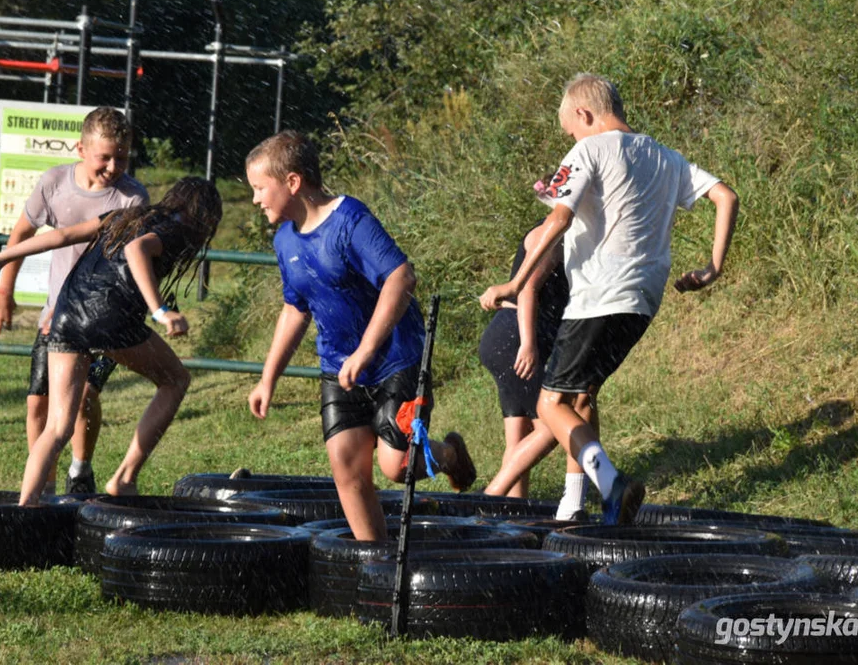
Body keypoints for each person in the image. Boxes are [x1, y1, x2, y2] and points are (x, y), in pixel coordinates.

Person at [480, 73, 739, 525]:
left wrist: (516, 283)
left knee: (550, 405)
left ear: (583, 114)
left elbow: (558, 219)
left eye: (571, 130)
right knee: (582, 397)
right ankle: (575, 504)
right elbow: (725, 196)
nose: (572, 139)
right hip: (643, 299)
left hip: (599, 295)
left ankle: (612, 484)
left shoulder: (587, 149)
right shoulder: (665, 156)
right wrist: (712, 267)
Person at [245, 130, 477, 542]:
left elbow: (401, 277)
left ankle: (448, 454)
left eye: (261, 188)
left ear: (293, 182)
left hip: (394, 359)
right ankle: (376, 564)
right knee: (348, 471)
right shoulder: (284, 240)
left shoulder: (351, 220)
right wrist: (268, 378)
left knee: (397, 466)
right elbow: (294, 309)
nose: (256, 199)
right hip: (339, 367)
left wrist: (367, 350)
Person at [0, 176, 222, 505]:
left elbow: (60, 236)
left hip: (65, 315)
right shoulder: (177, 228)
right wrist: (160, 310)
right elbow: (138, 249)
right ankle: (124, 478)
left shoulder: (124, 217)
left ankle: (26, 509)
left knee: (57, 427)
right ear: (205, 216)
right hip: (110, 319)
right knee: (175, 379)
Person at [0, 107, 149, 495]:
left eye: (121, 157)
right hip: (55, 312)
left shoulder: (132, 198)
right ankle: (45, 483)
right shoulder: (54, 182)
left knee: (83, 396)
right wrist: (4, 291)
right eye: (104, 157)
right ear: (81, 149)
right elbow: (22, 234)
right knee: (37, 403)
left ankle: (80, 470)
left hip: (106, 313)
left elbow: (116, 265)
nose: (113, 166)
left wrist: (80, 307)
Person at [478, 221, 569, 501]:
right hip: (516, 339)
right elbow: (528, 288)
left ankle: (514, 511)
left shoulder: (546, 232)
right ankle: (492, 496)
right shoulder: (555, 237)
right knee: (553, 426)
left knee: (519, 433)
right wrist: (528, 344)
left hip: (505, 336)